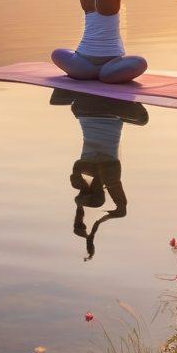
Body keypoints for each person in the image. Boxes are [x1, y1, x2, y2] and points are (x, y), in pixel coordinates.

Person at [50, 90, 148, 260]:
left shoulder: (109, 175)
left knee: (143, 119)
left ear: (101, 192)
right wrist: (83, 224)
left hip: (111, 110)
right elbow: (82, 201)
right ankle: (82, 90)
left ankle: (128, 93)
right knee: (64, 105)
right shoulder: (81, 172)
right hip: (82, 109)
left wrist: (98, 224)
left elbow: (121, 209)